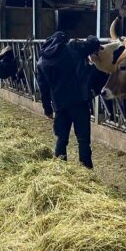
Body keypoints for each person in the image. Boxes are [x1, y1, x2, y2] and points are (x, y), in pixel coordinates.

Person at [35, 32, 102, 169]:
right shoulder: (72, 46)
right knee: (83, 139)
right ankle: (86, 170)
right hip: (79, 100)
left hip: (60, 105)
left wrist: (47, 108)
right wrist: (89, 37)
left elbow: (43, 88)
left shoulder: (41, 61)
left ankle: (60, 169)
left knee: (62, 138)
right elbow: (94, 43)